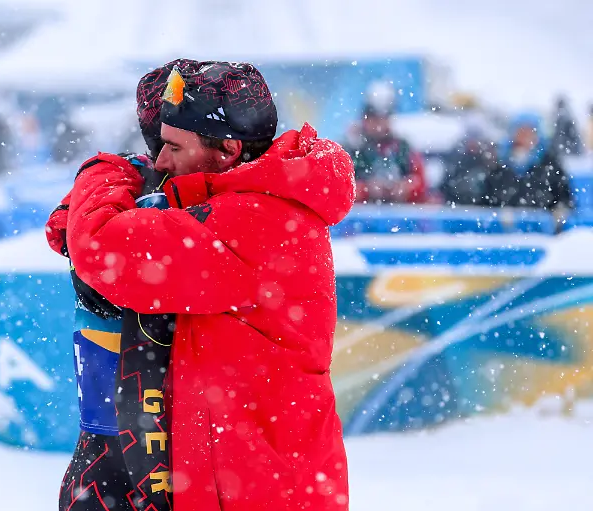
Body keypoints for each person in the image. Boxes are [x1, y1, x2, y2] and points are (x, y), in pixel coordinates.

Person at [64, 61, 354, 510]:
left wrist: (104, 173)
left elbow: (96, 247)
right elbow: (65, 229)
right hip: (253, 478)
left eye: (172, 147)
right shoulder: (248, 201)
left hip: (253, 489)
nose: (159, 162)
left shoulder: (253, 223)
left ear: (228, 151)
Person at [47, 59, 200, 511]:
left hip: (142, 437)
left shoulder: (133, 184)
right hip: (122, 437)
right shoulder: (127, 183)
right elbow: (82, 257)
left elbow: (67, 238)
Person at [485, 113, 574, 230]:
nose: (525, 137)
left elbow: (564, 195)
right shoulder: (500, 164)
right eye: (520, 132)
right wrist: (499, 213)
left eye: (530, 132)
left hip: (543, 233)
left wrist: (559, 210)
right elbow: (487, 198)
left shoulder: (550, 163)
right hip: (506, 236)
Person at [349, 103, 427, 204]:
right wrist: (366, 189)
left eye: (383, 119)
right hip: (360, 213)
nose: (379, 125)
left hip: (399, 211)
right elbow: (340, 189)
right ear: (365, 121)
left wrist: (406, 187)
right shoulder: (354, 148)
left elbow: (421, 182)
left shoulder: (402, 147)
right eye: (374, 120)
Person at [440, 126, 498, 206]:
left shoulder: (487, 163)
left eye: (476, 140)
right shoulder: (457, 161)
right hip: (459, 205)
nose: (473, 143)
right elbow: (446, 187)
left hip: (481, 207)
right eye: (471, 140)